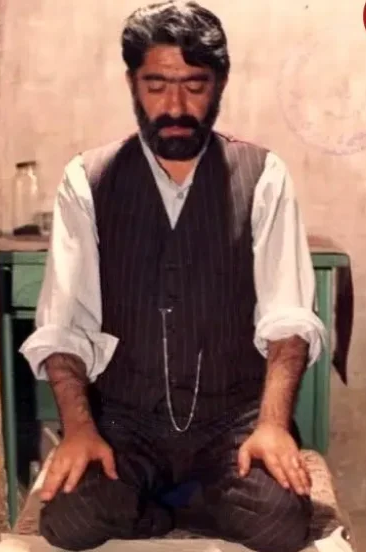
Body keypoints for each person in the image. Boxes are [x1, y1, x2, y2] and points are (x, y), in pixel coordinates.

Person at [20, 2, 326, 551]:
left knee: (279, 523)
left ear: (219, 84)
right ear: (132, 84)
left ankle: (171, 501)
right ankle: (180, 503)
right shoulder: (87, 180)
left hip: (230, 423)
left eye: (194, 85)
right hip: (127, 425)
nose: (176, 106)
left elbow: (288, 321)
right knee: (70, 520)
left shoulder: (263, 175)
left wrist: (272, 425)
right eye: (157, 85)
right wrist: (81, 431)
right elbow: (64, 326)